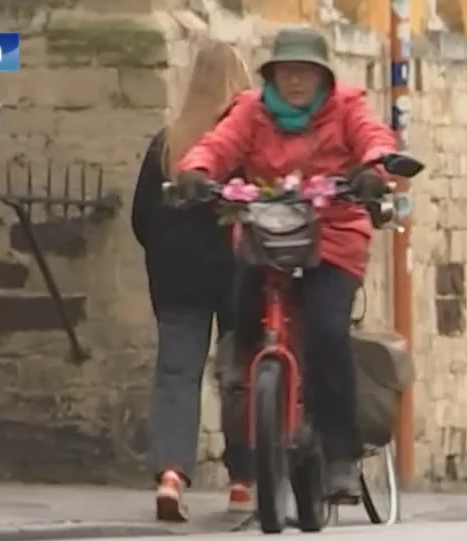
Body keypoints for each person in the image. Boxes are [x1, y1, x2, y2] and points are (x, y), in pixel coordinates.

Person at [170, 26, 397, 503]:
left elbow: (374, 139)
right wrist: (195, 172)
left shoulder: (347, 107)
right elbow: (218, 145)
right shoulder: (251, 110)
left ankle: (340, 455)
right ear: (272, 75)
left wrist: (373, 170)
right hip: (267, 231)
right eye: (287, 72)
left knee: (326, 329)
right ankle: (248, 380)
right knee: (243, 306)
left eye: (306, 73)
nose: (296, 82)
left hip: (332, 234)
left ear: (323, 77)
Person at [132, 39, 258, 521]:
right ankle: (243, 480)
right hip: (236, 272)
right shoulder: (243, 148)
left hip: (177, 276)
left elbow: (142, 218)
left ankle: (171, 473)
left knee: (176, 373)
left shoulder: (167, 145)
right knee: (238, 374)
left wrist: (167, 253)